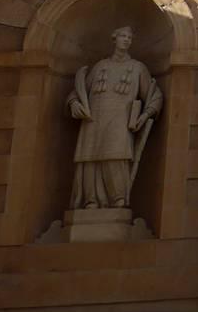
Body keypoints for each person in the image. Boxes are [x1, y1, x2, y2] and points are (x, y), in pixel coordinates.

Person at [67, 25, 163, 209]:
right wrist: (74, 104)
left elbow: (154, 94)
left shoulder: (137, 68)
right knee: (90, 159)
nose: (126, 40)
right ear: (114, 39)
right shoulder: (100, 66)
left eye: (129, 37)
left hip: (121, 119)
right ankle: (91, 199)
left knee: (116, 157)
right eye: (123, 36)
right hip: (93, 119)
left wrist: (146, 115)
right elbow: (77, 93)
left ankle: (117, 198)